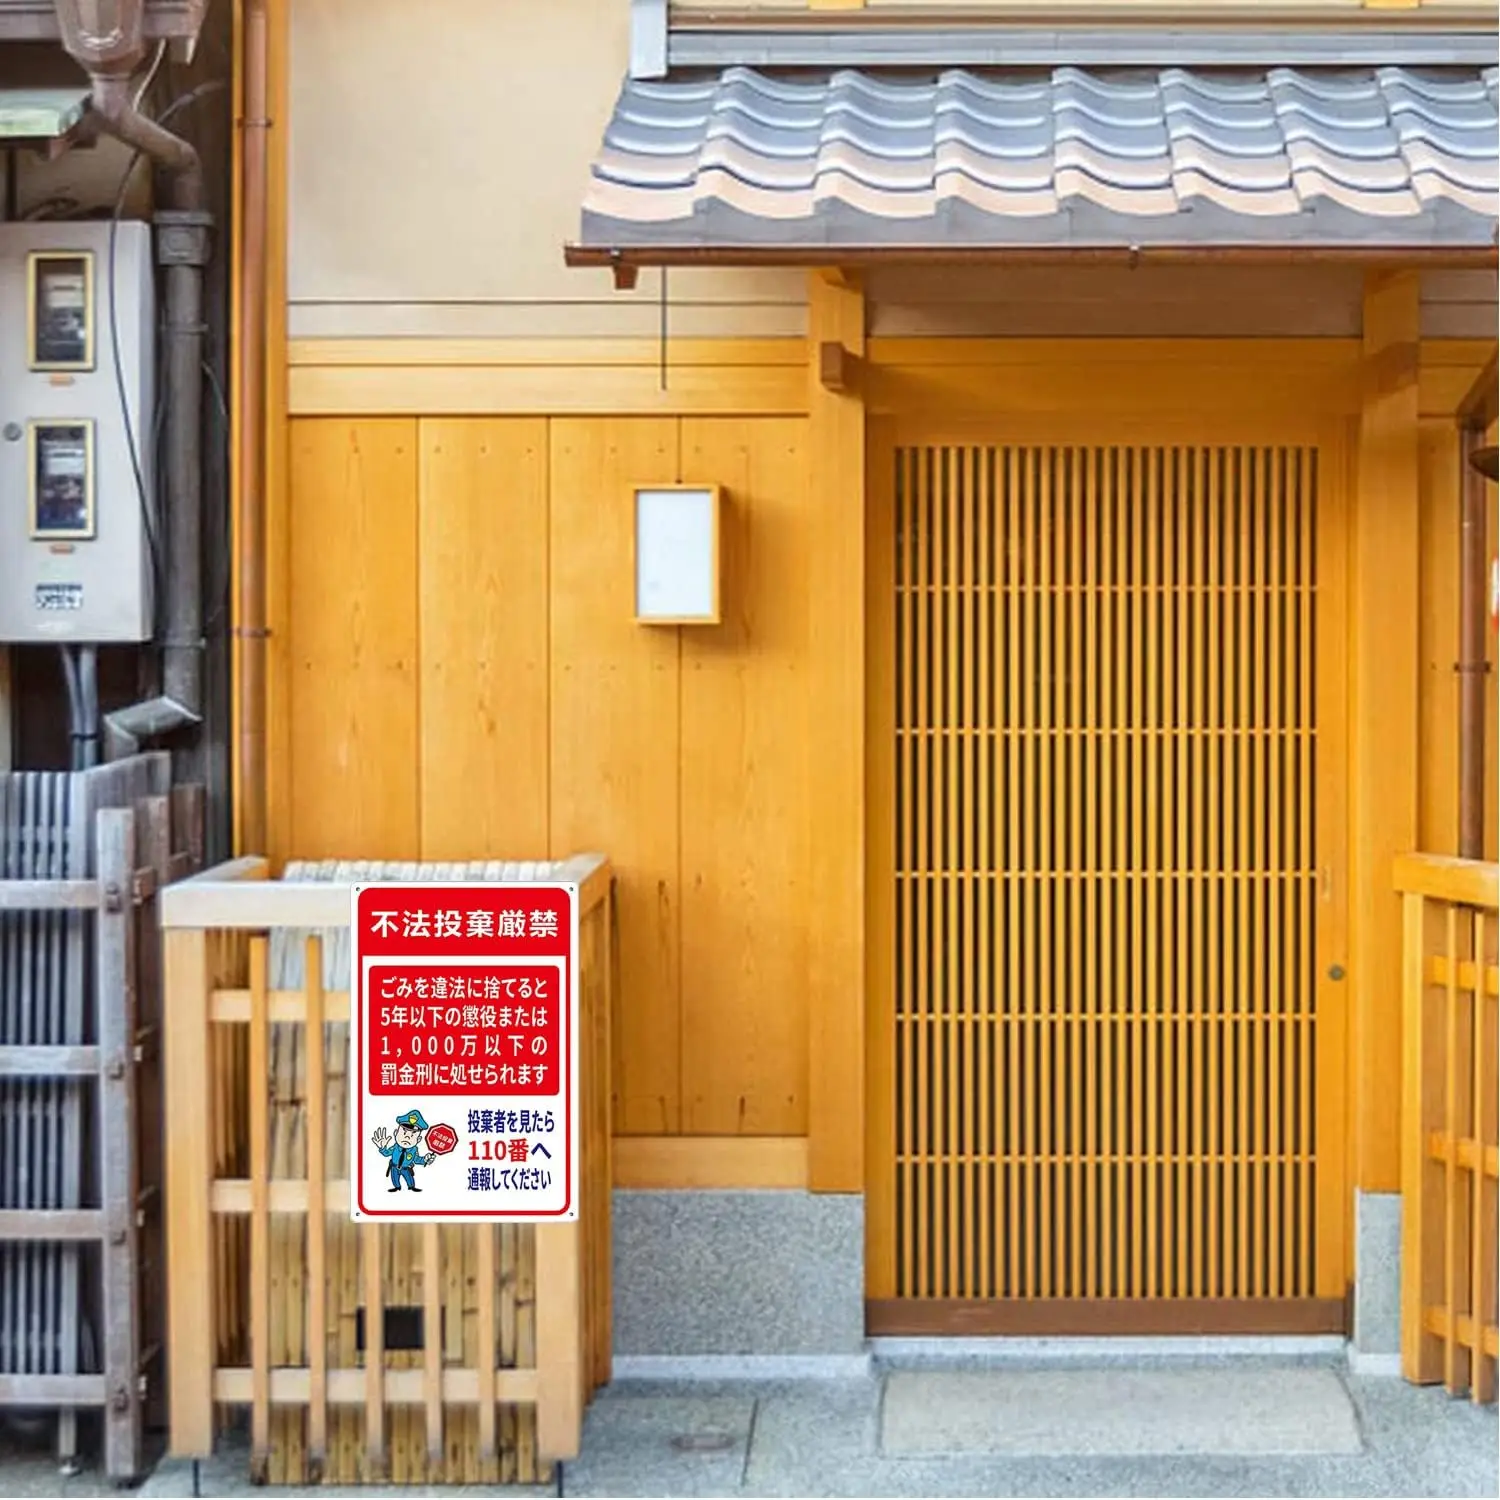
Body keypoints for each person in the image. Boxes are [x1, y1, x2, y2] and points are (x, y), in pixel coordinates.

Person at [371, 1109, 435, 1192]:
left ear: (418, 1139)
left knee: (409, 1178)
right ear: (395, 1133)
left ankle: (411, 1186)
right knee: (394, 1178)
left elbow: (417, 1159)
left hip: (406, 1168)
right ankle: (397, 1187)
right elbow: (386, 1153)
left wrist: (425, 1160)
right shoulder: (395, 1147)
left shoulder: (414, 1150)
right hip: (394, 1167)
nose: (407, 1137)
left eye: (412, 1135)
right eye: (404, 1133)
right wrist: (382, 1147)